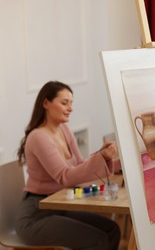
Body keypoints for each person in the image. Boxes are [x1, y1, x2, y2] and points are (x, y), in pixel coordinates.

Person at [15, 81, 121, 250]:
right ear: (46, 103)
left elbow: (80, 166)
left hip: (59, 205)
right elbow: (65, 177)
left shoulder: (64, 129)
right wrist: (100, 158)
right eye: (64, 103)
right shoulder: (38, 137)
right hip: (36, 215)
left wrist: (113, 161)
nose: (70, 108)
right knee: (98, 239)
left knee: (112, 230)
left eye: (71, 103)